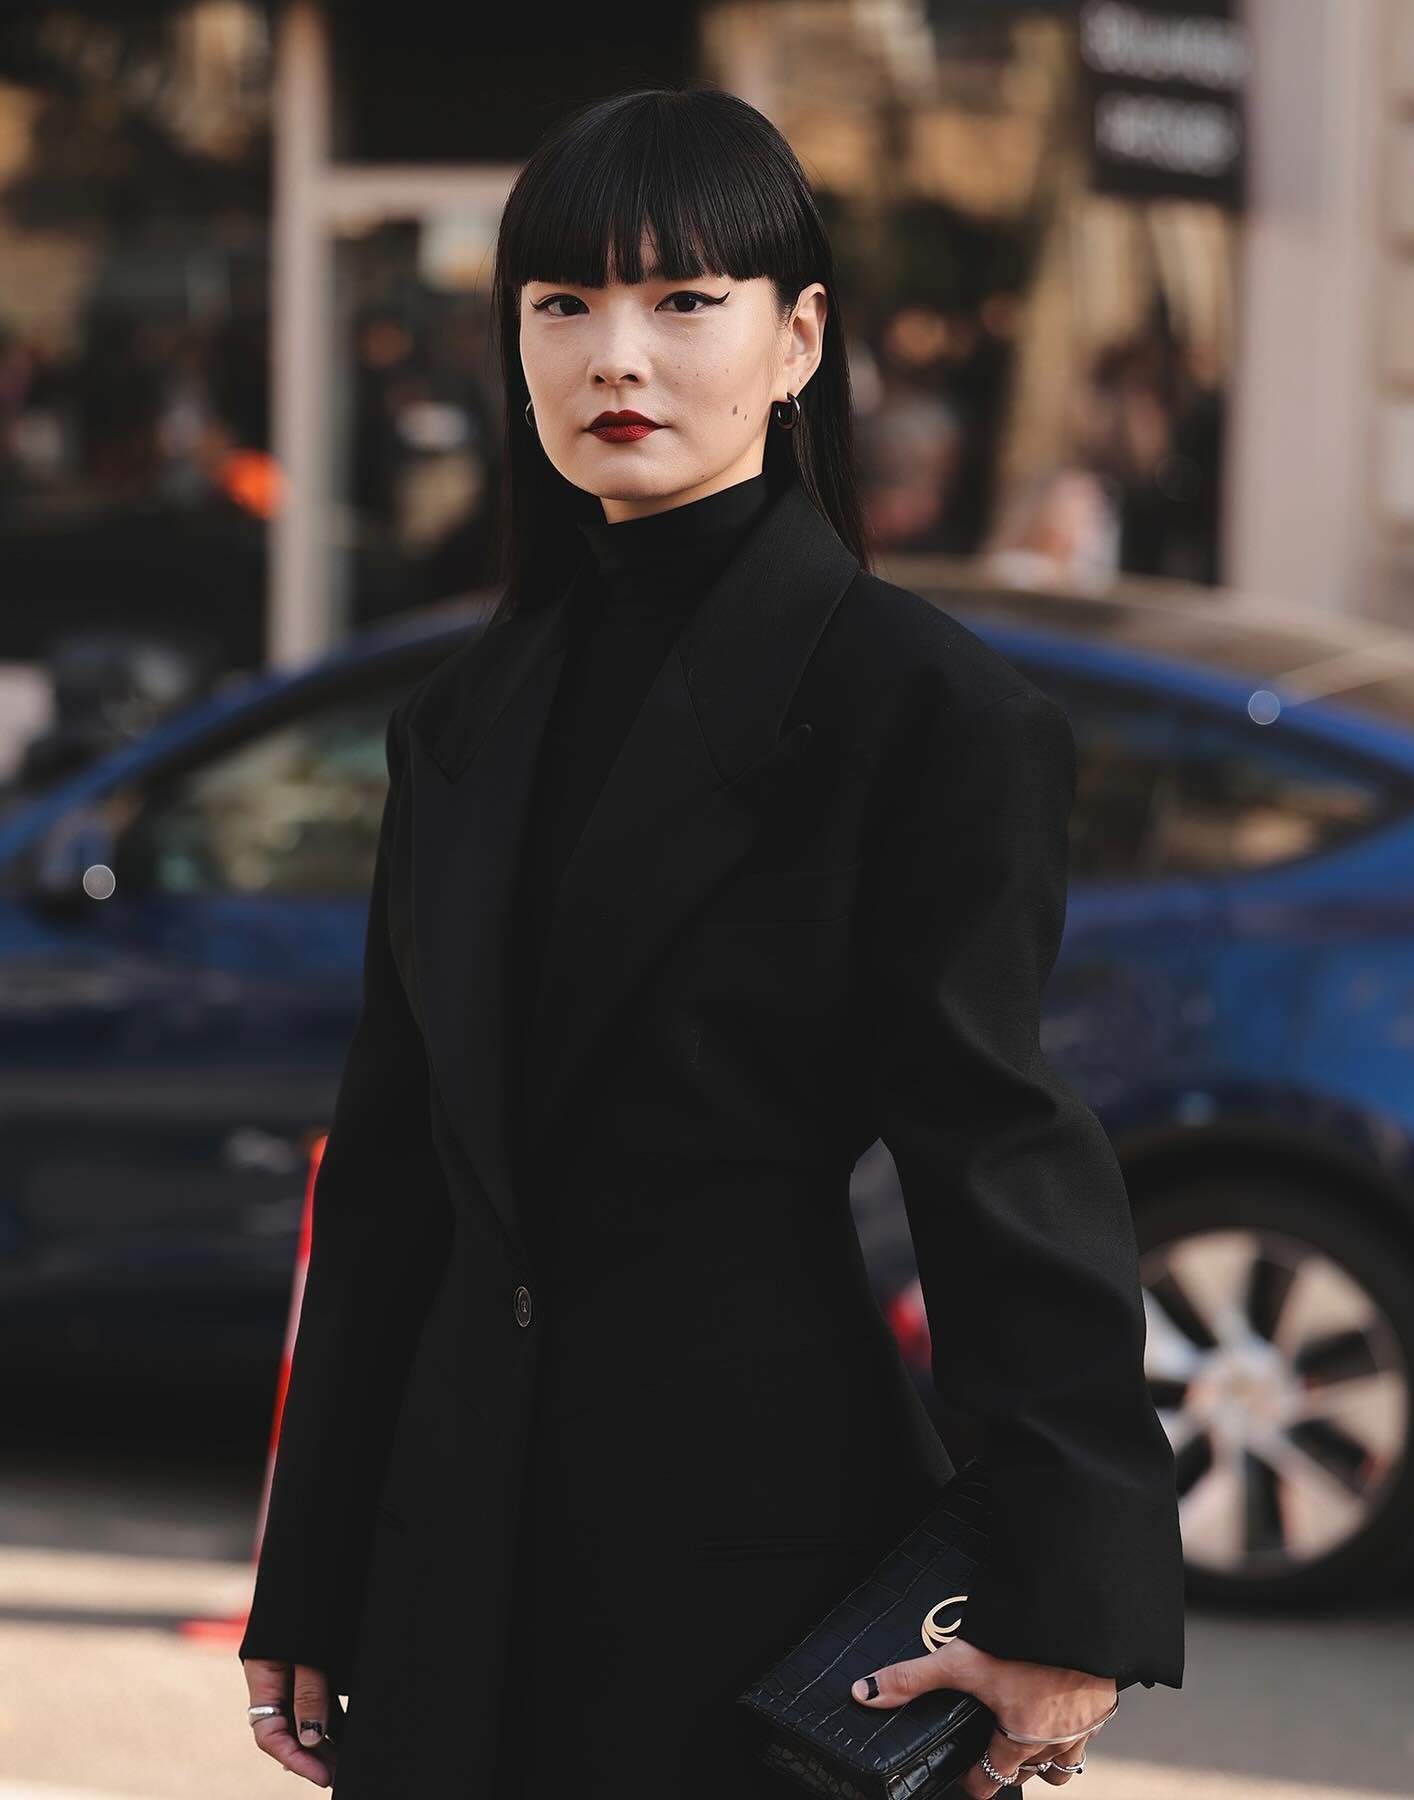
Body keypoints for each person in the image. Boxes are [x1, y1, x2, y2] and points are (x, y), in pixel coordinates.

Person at [237, 85, 1185, 1798]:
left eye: (684, 302)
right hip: (448, 1573)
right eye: (565, 306)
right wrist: (309, 1579)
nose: (620, 358)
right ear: (512, 343)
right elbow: (390, 1180)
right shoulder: (460, 715)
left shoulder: (925, 712)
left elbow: (1004, 1149)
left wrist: (1072, 1590)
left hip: (747, 1560)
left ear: (798, 337)